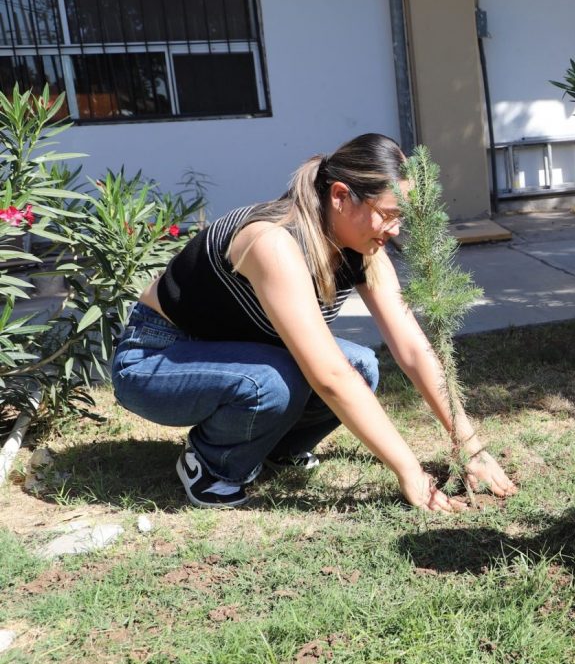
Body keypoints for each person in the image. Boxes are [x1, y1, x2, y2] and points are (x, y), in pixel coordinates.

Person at [111, 133, 515, 511]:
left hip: (239, 354)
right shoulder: (273, 242)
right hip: (157, 358)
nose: (395, 230)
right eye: (389, 215)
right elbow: (329, 377)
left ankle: (276, 448)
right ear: (340, 196)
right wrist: (410, 472)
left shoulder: (362, 248)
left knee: (361, 365)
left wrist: (470, 447)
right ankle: (211, 463)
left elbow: (412, 347)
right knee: (278, 379)